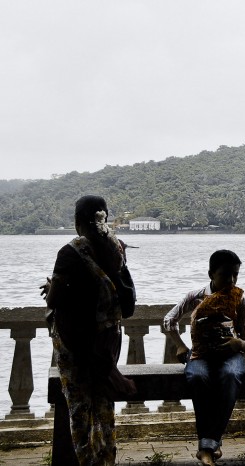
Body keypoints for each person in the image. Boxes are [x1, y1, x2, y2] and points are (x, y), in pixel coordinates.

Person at [41, 195, 137, 466]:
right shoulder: (115, 247)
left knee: (80, 411)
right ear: (104, 217)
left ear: (77, 221)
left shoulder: (70, 252)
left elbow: (54, 300)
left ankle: (87, 461)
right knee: (104, 404)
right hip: (106, 343)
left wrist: (50, 289)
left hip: (76, 345)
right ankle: (107, 459)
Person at [162, 249, 245, 466]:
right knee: (197, 378)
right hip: (200, 354)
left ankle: (207, 447)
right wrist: (179, 345)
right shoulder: (195, 298)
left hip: (230, 355)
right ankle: (212, 443)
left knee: (231, 375)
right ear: (211, 274)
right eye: (225, 275)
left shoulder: (241, 301)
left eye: (235, 275)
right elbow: (169, 320)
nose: (231, 281)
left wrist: (240, 344)